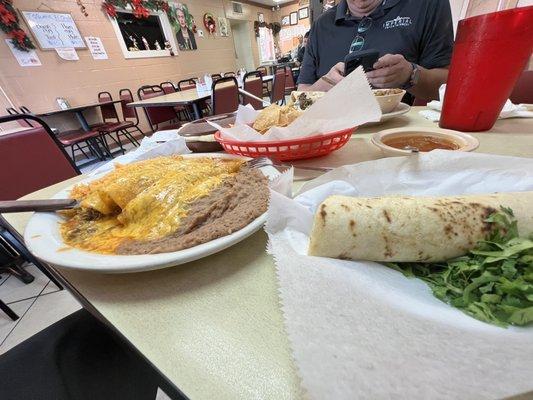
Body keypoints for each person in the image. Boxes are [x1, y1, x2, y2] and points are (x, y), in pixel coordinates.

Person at [297, 0, 454, 101]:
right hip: (331, 140)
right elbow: (301, 95)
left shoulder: (428, 4)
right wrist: (326, 84)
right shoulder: (321, 25)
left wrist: (410, 75)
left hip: (404, 139)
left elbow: (451, 86)